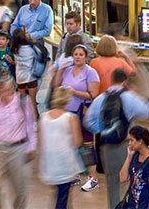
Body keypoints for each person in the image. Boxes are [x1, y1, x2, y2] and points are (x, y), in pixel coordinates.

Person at [84, 69, 149, 208]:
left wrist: (102, 129)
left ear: (111, 80)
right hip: (126, 145)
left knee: (112, 183)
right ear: (125, 80)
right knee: (128, 181)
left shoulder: (101, 98)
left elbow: (88, 121)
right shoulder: (129, 96)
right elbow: (146, 112)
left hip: (106, 146)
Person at [0, 76, 37, 209]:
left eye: (10, 90)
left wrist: (31, 147)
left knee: (20, 188)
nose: (7, 93)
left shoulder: (23, 101)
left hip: (18, 148)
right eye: (3, 90)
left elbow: (31, 125)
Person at [54, 44, 100, 191]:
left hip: (83, 112)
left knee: (87, 144)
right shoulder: (67, 71)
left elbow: (93, 94)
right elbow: (56, 86)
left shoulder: (91, 72)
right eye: (75, 54)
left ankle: (92, 177)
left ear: (86, 57)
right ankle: (75, 174)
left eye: (81, 54)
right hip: (68, 112)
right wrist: (59, 70)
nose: (78, 57)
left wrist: (75, 92)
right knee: (72, 144)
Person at [37, 85, 83, 209]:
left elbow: (40, 141)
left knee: (59, 195)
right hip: (65, 163)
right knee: (63, 198)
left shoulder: (43, 117)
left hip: (49, 162)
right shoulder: (71, 118)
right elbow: (77, 142)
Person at [120, 126, 149, 209]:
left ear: (140, 141)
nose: (129, 143)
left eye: (132, 140)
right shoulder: (136, 155)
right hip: (132, 205)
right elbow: (123, 178)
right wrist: (129, 156)